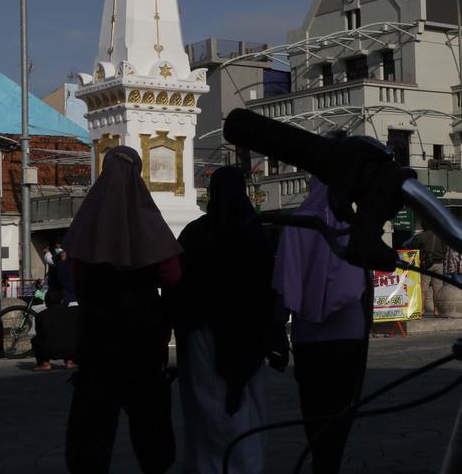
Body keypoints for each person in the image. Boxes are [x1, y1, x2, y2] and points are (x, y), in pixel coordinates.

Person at [63, 146, 182, 474]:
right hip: (142, 339)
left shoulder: (86, 221)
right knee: (149, 420)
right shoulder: (149, 221)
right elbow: (172, 276)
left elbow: (75, 276)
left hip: (97, 338)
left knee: (94, 423)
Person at [174, 167, 285, 474]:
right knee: (246, 406)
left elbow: (179, 287)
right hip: (246, 335)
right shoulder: (255, 233)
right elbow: (269, 286)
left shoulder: (195, 233)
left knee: (210, 406)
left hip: (203, 335)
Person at [274, 177, 371, 474]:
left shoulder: (297, 223)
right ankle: (331, 463)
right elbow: (367, 283)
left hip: (309, 337)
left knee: (314, 410)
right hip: (349, 333)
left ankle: (321, 462)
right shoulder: (352, 224)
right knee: (342, 410)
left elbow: (285, 281)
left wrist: (278, 332)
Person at [32, 243, 78, 372]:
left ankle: (45, 363)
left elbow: (40, 335)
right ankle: (70, 361)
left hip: (51, 350)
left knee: (36, 340)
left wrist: (48, 253)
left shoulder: (41, 315)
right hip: (71, 347)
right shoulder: (72, 313)